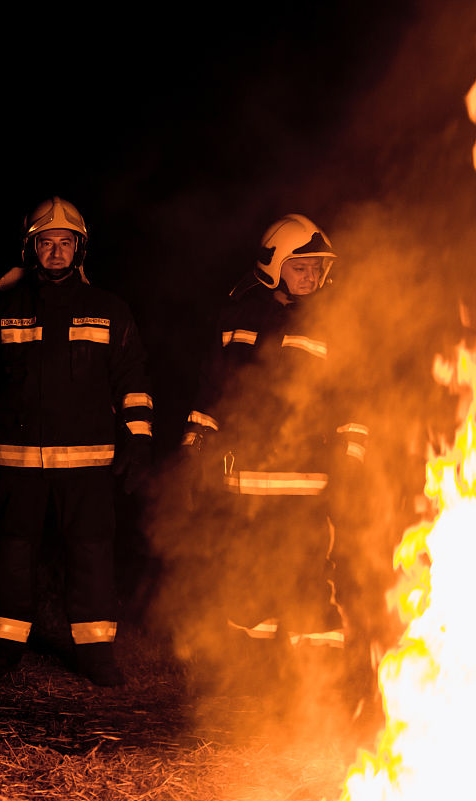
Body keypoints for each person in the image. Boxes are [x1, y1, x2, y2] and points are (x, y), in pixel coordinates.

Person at [0, 196, 153, 687]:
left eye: (66, 243)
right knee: (12, 553)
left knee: (91, 554)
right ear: (31, 248)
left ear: (80, 249)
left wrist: (139, 439)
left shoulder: (110, 310)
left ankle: (95, 654)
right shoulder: (3, 310)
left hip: (88, 463)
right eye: (48, 242)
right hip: (16, 460)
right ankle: (3, 646)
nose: (57, 252)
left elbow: (131, 381)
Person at [179, 213, 369, 688]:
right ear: (274, 265)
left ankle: (317, 685)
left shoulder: (335, 325)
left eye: (318, 268)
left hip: (309, 483)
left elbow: (355, 399)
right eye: (301, 266)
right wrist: (194, 447)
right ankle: (250, 675)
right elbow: (212, 390)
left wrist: (351, 459)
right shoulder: (237, 318)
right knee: (246, 575)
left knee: (308, 578)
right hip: (244, 480)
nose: (312, 276)